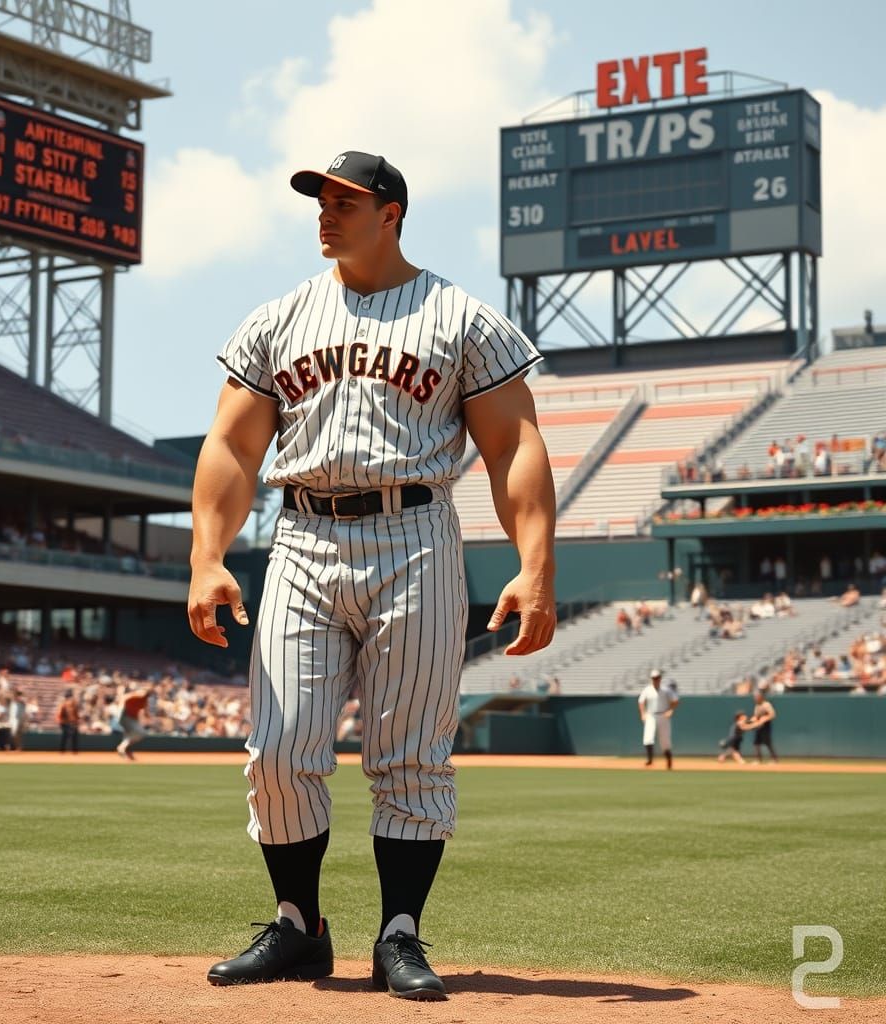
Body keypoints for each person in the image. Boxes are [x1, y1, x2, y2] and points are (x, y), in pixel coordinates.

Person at [187, 150, 557, 1001]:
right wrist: (208, 556)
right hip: (304, 536)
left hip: (416, 534)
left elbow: (512, 446)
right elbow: (235, 446)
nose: (325, 211)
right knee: (279, 753)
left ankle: (400, 934)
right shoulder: (276, 320)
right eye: (320, 198)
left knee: (411, 759)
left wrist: (535, 566)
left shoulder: (461, 316)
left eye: (345, 199)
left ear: (391, 212)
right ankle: (297, 926)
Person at [637, 668, 678, 769]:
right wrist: (643, 713)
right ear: (651, 679)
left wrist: (671, 710)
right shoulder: (647, 689)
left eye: (657, 678)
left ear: (660, 678)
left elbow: (675, 700)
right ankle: (649, 760)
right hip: (651, 715)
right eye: (653, 678)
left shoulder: (666, 690)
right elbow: (641, 701)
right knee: (648, 738)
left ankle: (669, 761)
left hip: (663, 715)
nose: (655, 679)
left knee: (665, 742)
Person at [116, 683, 153, 760]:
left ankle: (126, 751)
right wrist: (120, 708)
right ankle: (122, 747)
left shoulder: (144, 700)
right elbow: (124, 697)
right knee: (140, 732)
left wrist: (151, 719)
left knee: (130, 735)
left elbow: (146, 712)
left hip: (132, 718)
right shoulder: (140, 694)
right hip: (125, 716)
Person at [750, 689, 778, 764]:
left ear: (761, 697)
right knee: (756, 743)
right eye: (755, 697)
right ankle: (758, 760)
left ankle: (774, 759)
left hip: (766, 726)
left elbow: (773, 714)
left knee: (768, 743)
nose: (755, 698)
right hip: (758, 725)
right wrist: (753, 719)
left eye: (757, 696)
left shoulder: (766, 704)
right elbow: (756, 716)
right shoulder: (757, 706)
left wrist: (765, 718)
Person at [56, 688, 80, 754]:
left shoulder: (73, 704)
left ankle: (73, 750)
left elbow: (76, 713)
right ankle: (63, 750)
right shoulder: (64, 704)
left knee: (72, 736)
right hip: (65, 722)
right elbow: (61, 714)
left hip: (70, 722)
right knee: (66, 736)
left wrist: (76, 720)